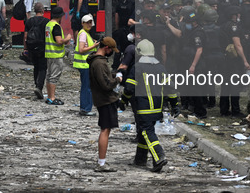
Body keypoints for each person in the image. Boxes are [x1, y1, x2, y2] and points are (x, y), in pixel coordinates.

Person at [124, 39, 178, 172]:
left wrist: (123, 100)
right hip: (157, 108)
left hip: (143, 107)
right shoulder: (161, 67)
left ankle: (159, 156)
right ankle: (140, 159)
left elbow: (129, 88)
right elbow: (170, 88)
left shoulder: (137, 67)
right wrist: (175, 104)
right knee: (145, 132)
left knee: (147, 132)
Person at [88, 37, 122, 172]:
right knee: (105, 129)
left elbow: (104, 78)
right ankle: (101, 163)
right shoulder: (100, 64)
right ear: (106, 48)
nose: (111, 53)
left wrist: (112, 74)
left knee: (105, 129)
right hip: (106, 100)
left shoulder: (96, 61)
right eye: (111, 50)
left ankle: (102, 161)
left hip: (101, 99)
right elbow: (106, 85)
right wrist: (117, 80)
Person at [44, 7, 71, 105]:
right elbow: (59, 41)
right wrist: (67, 39)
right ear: (60, 16)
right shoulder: (56, 26)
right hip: (56, 54)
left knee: (49, 76)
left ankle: (49, 96)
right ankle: (52, 97)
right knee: (54, 77)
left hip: (49, 54)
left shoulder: (48, 24)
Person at [74, 14, 100, 116]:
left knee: (86, 86)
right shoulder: (84, 34)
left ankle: (85, 107)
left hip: (85, 64)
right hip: (84, 65)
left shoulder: (84, 33)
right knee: (87, 87)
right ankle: (86, 108)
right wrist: (94, 46)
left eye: (90, 22)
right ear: (82, 23)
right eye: (87, 22)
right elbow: (81, 50)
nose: (89, 24)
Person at [24, 3, 50, 99]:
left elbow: (25, 36)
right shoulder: (46, 21)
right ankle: (39, 87)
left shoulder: (29, 21)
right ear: (43, 10)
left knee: (36, 66)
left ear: (34, 10)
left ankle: (36, 85)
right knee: (43, 67)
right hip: (42, 47)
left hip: (32, 47)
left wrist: (25, 48)